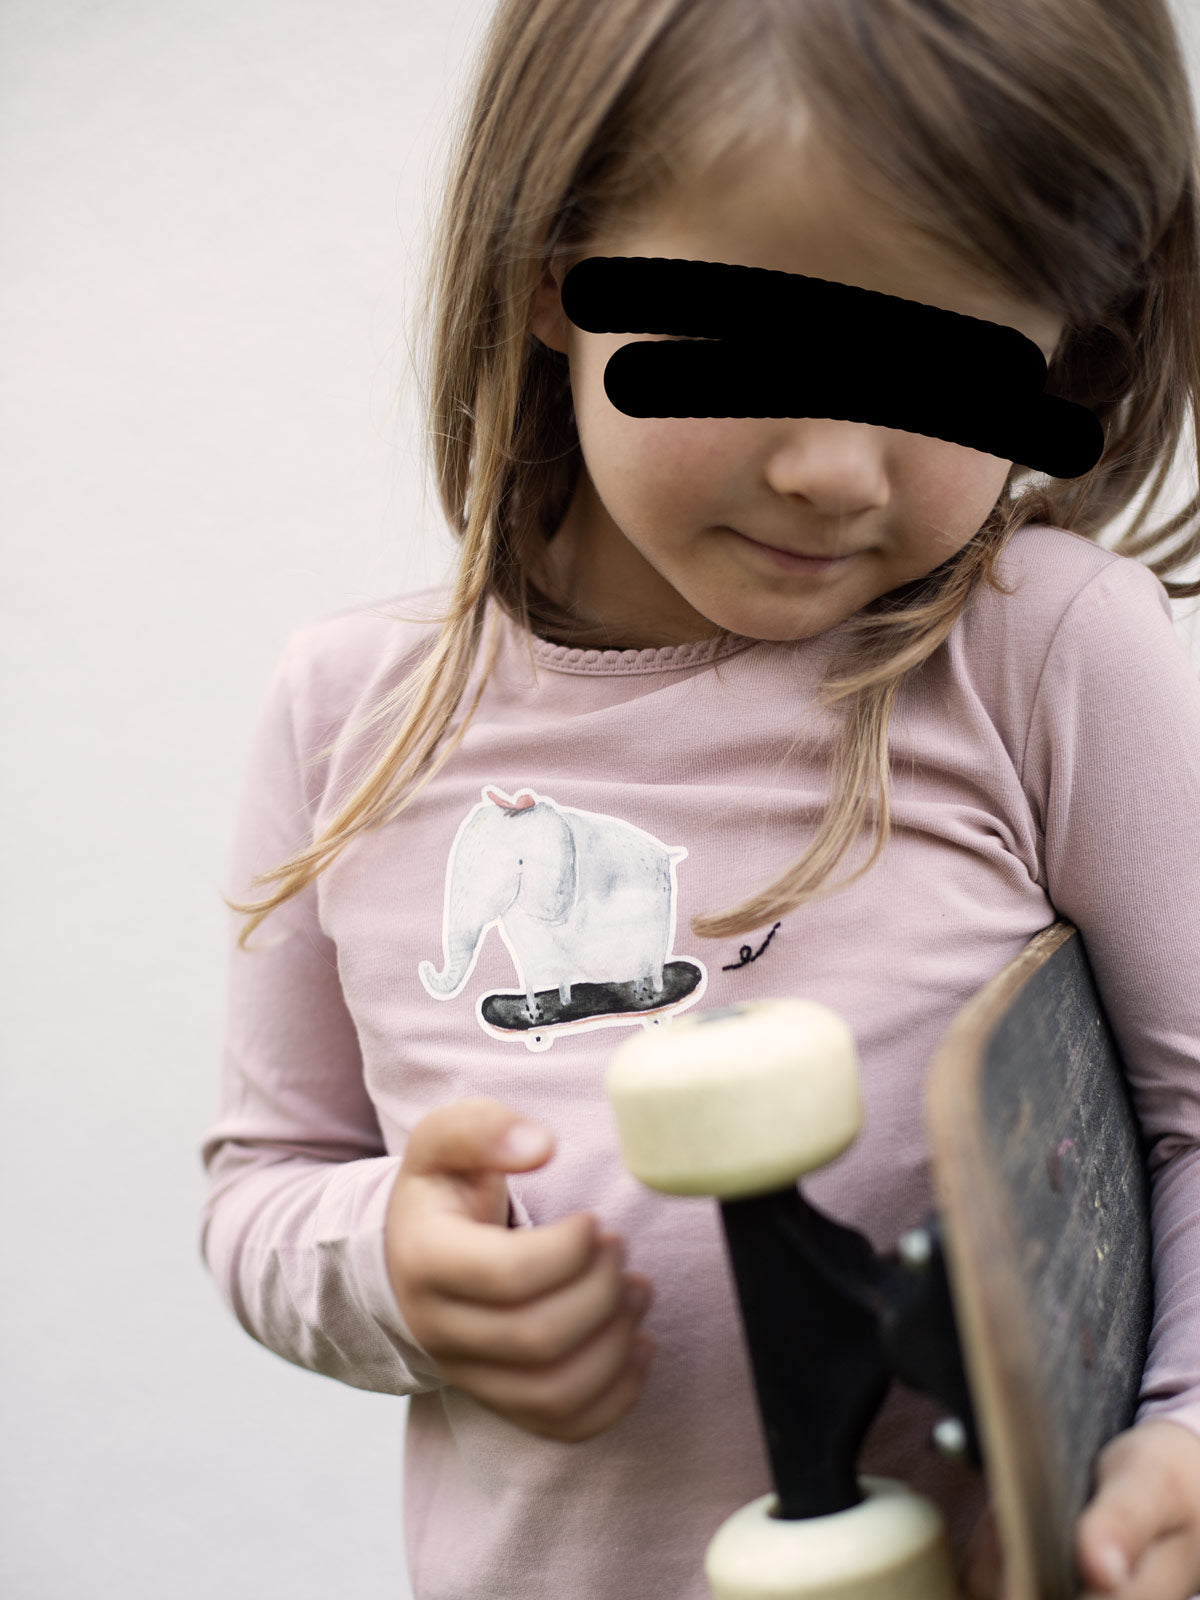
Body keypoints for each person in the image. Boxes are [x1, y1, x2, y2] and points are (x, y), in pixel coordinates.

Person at [200, 1, 1200, 1596]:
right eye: (764, 344)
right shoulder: (350, 714)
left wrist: (1186, 1431)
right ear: (553, 274)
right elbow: (263, 1188)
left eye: (949, 370)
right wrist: (386, 1260)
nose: (837, 468)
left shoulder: (1041, 656)